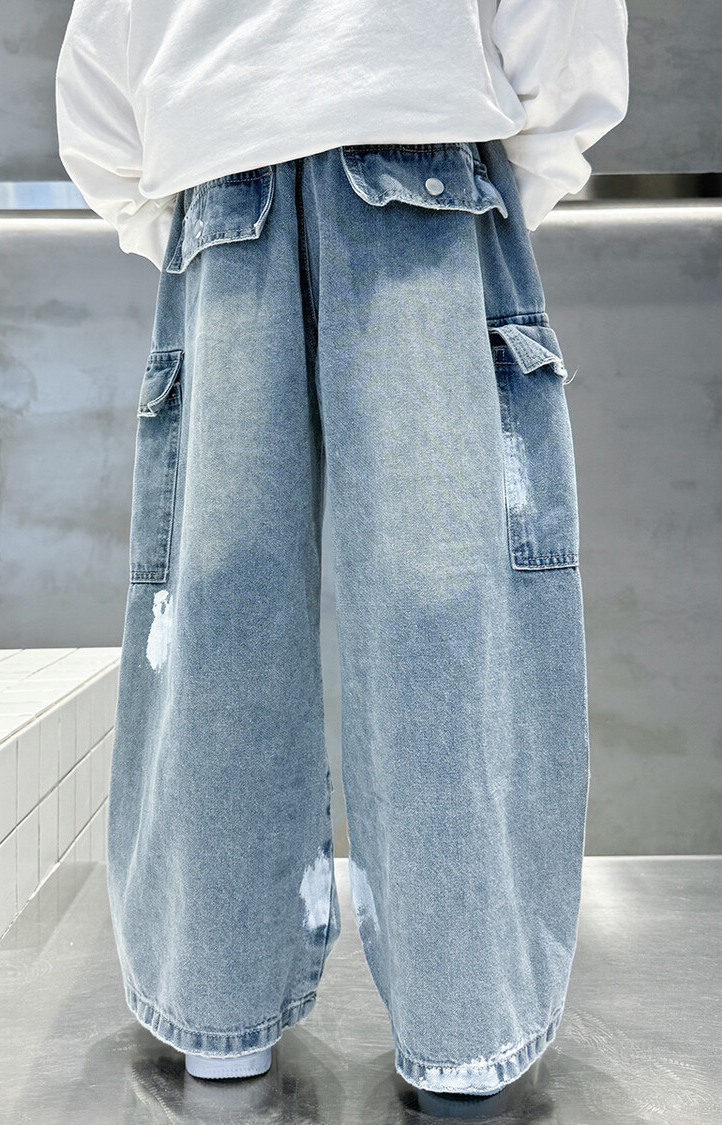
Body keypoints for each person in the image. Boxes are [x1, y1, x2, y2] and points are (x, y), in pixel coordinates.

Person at [54, 0, 629, 1098]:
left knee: (232, 604)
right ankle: (456, 1017)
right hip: (404, 165)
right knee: (426, 605)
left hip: (253, 176)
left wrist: (176, 186)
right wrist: (515, 180)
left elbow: (101, 93)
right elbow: (563, 43)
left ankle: (231, 999)